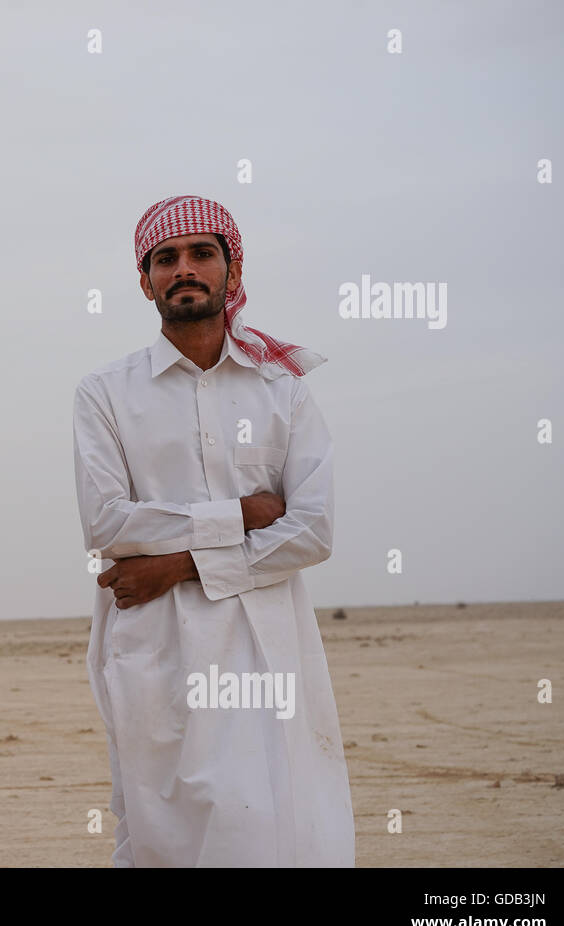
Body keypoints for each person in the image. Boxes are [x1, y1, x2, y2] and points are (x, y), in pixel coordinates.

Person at [73, 195, 354, 866]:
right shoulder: (105, 393)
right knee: (158, 829)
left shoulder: (281, 389)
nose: (184, 269)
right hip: (154, 646)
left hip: (268, 644)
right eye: (165, 258)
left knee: (283, 828)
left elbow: (313, 530)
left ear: (232, 268)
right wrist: (240, 515)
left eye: (202, 253)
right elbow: (107, 521)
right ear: (145, 282)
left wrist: (175, 564)